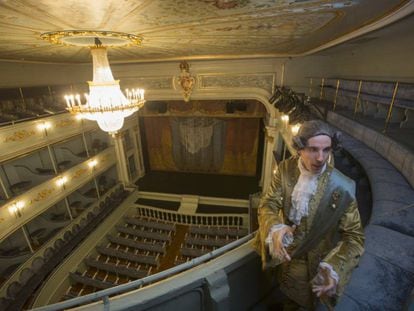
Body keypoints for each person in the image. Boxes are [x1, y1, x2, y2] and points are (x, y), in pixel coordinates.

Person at [254, 120, 364, 310]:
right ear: (299, 148)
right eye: (313, 149)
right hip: (283, 256)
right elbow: (268, 203)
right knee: (283, 294)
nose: (321, 158)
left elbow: (354, 238)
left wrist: (335, 268)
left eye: (326, 150)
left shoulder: (343, 187)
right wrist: (275, 227)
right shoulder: (285, 169)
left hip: (313, 268)